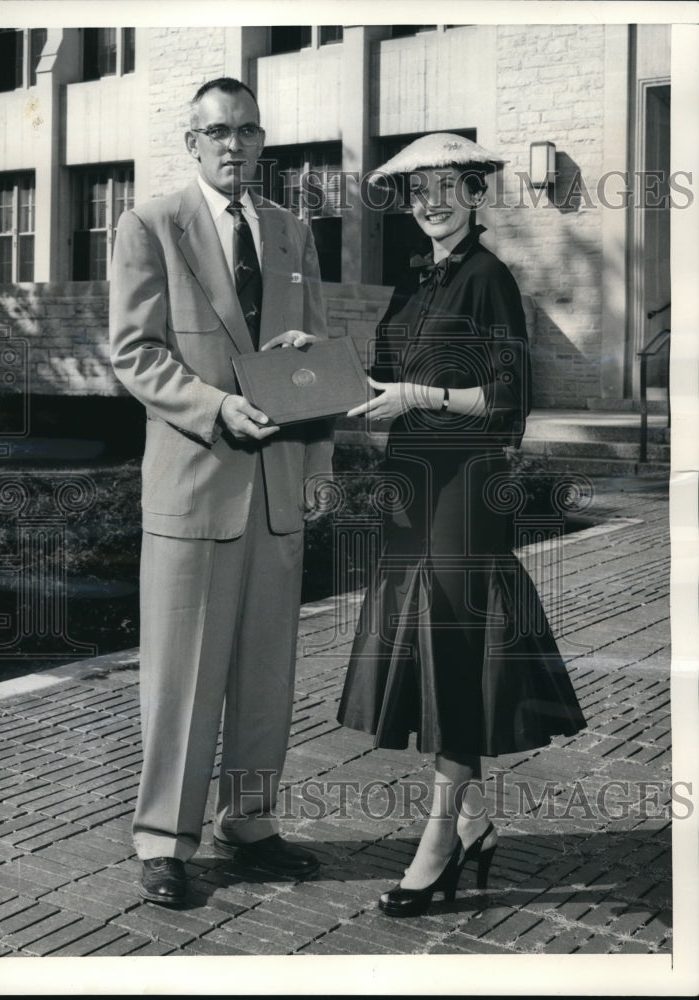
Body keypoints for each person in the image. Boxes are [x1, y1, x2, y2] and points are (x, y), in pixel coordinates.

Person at [338, 133, 586, 917]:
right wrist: (312, 354)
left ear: (474, 193)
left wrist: (417, 399)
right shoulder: (418, 284)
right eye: (417, 192)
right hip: (414, 489)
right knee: (434, 654)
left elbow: (507, 401)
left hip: (462, 495)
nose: (430, 202)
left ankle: (438, 843)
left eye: (446, 186)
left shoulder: (487, 279)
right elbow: (382, 375)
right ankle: (473, 823)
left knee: (453, 651)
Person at [109, 77, 332, 907]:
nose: (231, 144)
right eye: (215, 132)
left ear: (261, 139)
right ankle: (164, 838)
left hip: (276, 491)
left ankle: (251, 823)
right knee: (181, 679)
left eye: (244, 130)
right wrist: (214, 407)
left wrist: (315, 474)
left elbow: (317, 356)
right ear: (191, 141)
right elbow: (134, 352)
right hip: (194, 485)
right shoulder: (150, 225)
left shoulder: (290, 232)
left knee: (266, 673)